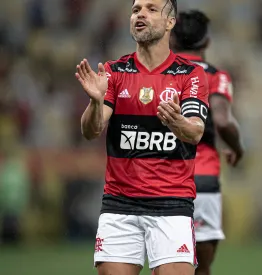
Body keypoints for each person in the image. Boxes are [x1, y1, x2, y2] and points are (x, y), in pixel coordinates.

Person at [75, 1, 209, 275]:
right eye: (136, 10)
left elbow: (195, 131)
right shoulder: (115, 72)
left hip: (172, 203)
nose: (140, 14)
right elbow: (91, 130)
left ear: (170, 22)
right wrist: (96, 102)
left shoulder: (189, 74)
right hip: (120, 205)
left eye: (150, 9)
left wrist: (177, 122)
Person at [170, 10, 244, 275]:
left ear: (172, 41)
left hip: (161, 180)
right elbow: (223, 122)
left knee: (165, 266)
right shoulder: (216, 76)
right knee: (201, 268)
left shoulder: (159, 75)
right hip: (202, 178)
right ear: (207, 43)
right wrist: (237, 149)